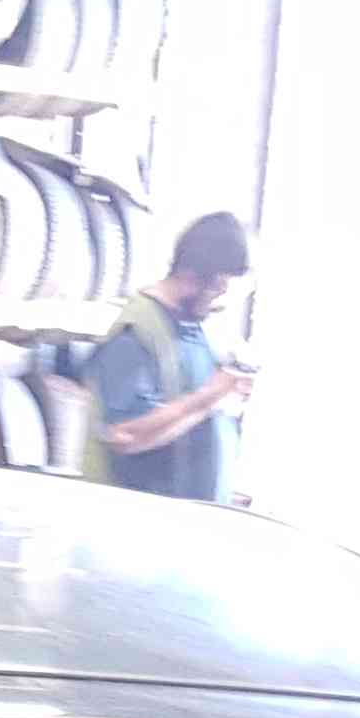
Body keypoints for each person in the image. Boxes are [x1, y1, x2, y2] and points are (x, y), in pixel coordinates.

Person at [83, 210, 253, 502]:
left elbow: (191, 414)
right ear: (190, 275)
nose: (219, 301)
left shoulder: (191, 328)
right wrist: (209, 397)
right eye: (216, 289)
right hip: (143, 519)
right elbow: (125, 435)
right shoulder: (134, 334)